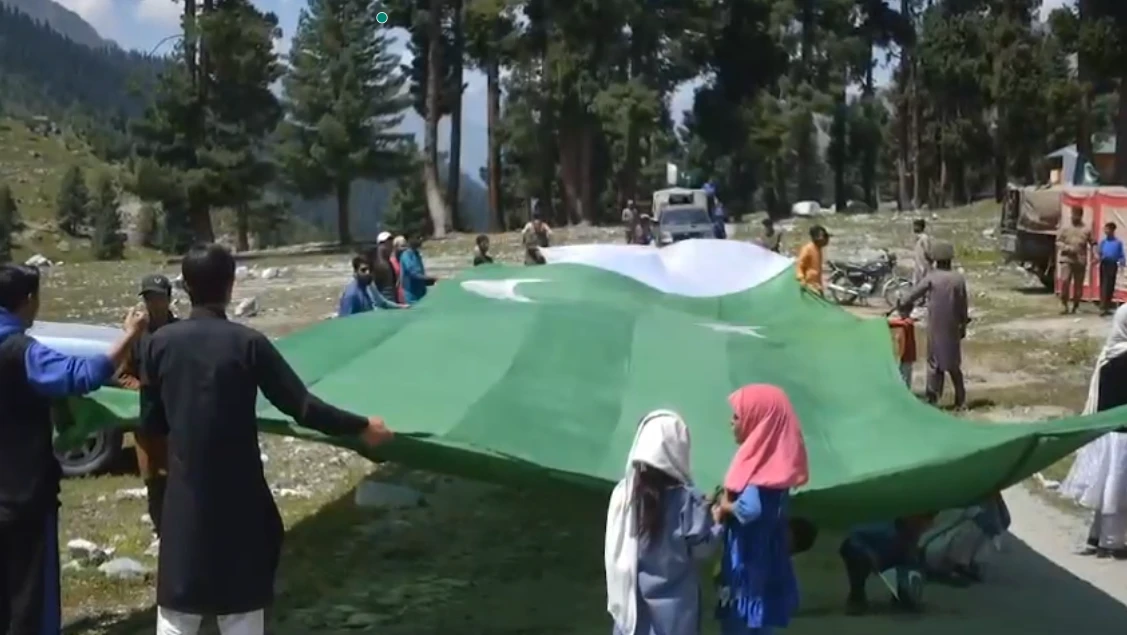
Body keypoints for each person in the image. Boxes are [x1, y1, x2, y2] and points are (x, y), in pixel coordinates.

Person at [138, 243, 394, 635]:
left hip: (184, 502)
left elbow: (152, 423)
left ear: (185, 287)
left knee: (177, 616)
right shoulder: (248, 344)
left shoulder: (158, 345)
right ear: (231, 284)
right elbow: (304, 407)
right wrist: (362, 426)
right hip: (241, 500)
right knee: (241, 614)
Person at [0, 264, 148, 635]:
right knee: (30, 591)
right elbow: (81, 374)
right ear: (29, 300)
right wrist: (129, 336)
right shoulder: (19, 350)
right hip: (22, 493)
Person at [605, 411, 720, 635]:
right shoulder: (688, 499)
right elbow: (702, 549)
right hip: (676, 612)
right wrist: (717, 522)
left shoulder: (624, 494)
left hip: (633, 604)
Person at [713, 384, 808, 635]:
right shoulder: (777, 466)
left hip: (747, 560)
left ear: (757, 421)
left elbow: (750, 509)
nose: (731, 422)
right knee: (760, 623)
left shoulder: (758, 473)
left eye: (737, 416)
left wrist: (725, 507)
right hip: (767, 558)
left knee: (740, 623)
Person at [1060, 303, 1127, 558]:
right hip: (1122, 436)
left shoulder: (1109, 356)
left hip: (1105, 433)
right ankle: (1112, 542)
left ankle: (1097, 537)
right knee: (1117, 490)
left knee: (1107, 486)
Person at [116, 274, 179, 544]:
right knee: (153, 479)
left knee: (180, 475)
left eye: (159, 297)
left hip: (177, 418)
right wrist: (142, 389)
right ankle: (161, 529)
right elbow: (123, 374)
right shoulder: (138, 335)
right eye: (149, 298)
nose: (154, 304)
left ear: (169, 299)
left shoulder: (182, 332)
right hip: (148, 420)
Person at [899, 241, 969, 409]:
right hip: (953, 326)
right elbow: (963, 306)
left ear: (936, 259)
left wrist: (902, 301)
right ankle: (961, 400)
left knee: (934, 363)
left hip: (936, 325)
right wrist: (963, 326)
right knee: (953, 364)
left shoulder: (932, 277)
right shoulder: (958, 279)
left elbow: (912, 295)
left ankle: (933, 398)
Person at [839, 514, 934, 616]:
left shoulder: (917, 536)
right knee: (853, 551)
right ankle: (857, 596)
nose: (923, 525)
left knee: (914, 561)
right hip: (869, 555)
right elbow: (854, 533)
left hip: (892, 559)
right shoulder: (884, 527)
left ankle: (900, 594)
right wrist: (869, 553)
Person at [1057, 206, 1095, 315]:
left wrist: (1095, 253)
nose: (1074, 217)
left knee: (1078, 285)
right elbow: (1058, 242)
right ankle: (1064, 305)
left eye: (1077, 215)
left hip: (1080, 260)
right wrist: (1067, 248)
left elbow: (1093, 242)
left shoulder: (1086, 229)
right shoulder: (1065, 228)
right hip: (1066, 259)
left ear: (1081, 215)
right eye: (1073, 214)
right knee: (1065, 281)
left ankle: (1076, 306)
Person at [338, 256, 402, 317]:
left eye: (370, 270)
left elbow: (382, 302)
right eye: (363, 270)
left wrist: (401, 307)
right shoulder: (352, 294)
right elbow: (344, 320)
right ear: (355, 272)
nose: (368, 272)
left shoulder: (367, 287)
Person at [399, 234, 437, 304]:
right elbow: (413, 274)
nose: (420, 240)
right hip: (411, 294)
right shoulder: (406, 255)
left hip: (421, 292)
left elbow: (420, 271)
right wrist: (429, 278)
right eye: (418, 238)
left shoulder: (417, 254)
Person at [1098, 222, 1124, 316]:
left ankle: (1107, 305)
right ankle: (1103, 307)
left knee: (1110, 285)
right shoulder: (1103, 242)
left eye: (1107, 229)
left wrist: (1122, 262)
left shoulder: (1118, 242)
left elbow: (1121, 255)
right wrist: (1098, 257)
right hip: (1104, 264)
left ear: (1112, 230)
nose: (1105, 231)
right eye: (1105, 229)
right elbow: (1099, 253)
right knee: (1104, 285)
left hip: (1112, 265)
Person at [888, 305, 917, 388]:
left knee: (905, 375)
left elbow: (895, 323)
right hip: (906, 355)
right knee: (904, 375)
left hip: (907, 355)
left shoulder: (907, 323)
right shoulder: (907, 322)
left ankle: (906, 391)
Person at [796, 225, 830, 295]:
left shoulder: (818, 249)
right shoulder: (807, 249)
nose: (827, 239)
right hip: (808, 285)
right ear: (817, 238)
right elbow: (800, 265)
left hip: (816, 285)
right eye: (825, 237)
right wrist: (802, 279)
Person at [369, 231, 399, 303]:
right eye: (386, 244)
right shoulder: (376, 263)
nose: (389, 247)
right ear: (380, 245)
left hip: (393, 300)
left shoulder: (388, 262)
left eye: (390, 243)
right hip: (383, 302)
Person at [911, 219, 932, 285]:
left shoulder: (924, 237)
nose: (913, 228)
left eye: (915, 226)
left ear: (920, 227)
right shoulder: (918, 237)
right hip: (918, 264)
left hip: (923, 265)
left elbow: (927, 251)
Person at [390, 236, 407, 304]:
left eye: (405, 246)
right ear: (395, 247)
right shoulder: (391, 261)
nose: (405, 248)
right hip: (397, 295)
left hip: (407, 293)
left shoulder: (405, 259)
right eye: (402, 246)